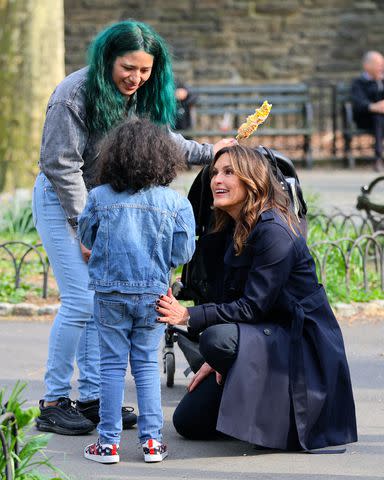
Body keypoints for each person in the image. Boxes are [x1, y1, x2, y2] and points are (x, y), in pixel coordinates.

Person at [32, 19, 235, 436]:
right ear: (108, 58)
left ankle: (90, 400)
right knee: (80, 301)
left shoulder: (140, 94)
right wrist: (85, 226)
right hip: (64, 200)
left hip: (107, 208)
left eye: (145, 71)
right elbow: (60, 165)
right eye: (129, 68)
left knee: (99, 299)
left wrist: (213, 152)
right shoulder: (73, 94)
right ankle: (53, 401)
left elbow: (165, 140)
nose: (136, 78)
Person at [156, 145, 358, 451]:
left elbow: (252, 307)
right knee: (188, 422)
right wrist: (219, 362)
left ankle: (277, 415)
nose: (216, 180)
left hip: (296, 340)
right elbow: (230, 296)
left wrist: (188, 318)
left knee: (216, 340)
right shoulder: (230, 225)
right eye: (215, 172)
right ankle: (246, 393)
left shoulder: (274, 230)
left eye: (228, 172)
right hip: (261, 332)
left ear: (251, 180)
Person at [78, 118, 195, 463]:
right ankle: (152, 444)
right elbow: (183, 253)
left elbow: (86, 238)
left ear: (113, 158)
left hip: (110, 293)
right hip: (154, 293)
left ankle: (108, 444)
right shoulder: (175, 203)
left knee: (111, 366)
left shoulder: (99, 196)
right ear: (164, 159)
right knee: (145, 365)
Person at [351, 51, 384, 171]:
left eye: (382, 64)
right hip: (365, 118)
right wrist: (373, 107)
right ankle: (378, 158)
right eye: (378, 64)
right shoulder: (359, 82)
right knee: (378, 117)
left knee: (380, 118)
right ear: (367, 65)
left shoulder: (382, 81)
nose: (381, 67)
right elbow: (359, 102)